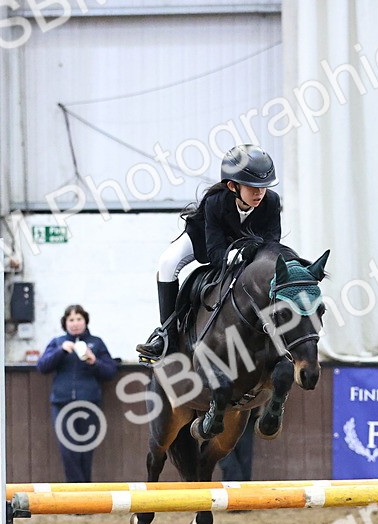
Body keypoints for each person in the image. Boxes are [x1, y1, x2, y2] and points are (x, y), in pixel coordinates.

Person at [136, 144, 282, 361]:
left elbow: (272, 246)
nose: (259, 193)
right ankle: (166, 335)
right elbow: (215, 253)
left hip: (246, 245)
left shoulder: (271, 202)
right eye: (252, 187)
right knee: (167, 262)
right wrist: (241, 254)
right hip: (204, 240)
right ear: (232, 186)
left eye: (263, 187)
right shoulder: (215, 202)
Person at [37, 304, 118, 483]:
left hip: (89, 403)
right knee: (67, 450)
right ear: (65, 323)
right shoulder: (58, 342)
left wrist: (94, 361)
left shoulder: (96, 343)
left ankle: (85, 495)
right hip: (62, 404)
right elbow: (42, 366)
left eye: (78, 319)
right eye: (71, 319)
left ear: (85, 321)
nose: (75, 323)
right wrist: (61, 351)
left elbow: (110, 371)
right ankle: (76, 493)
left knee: (86, 449)